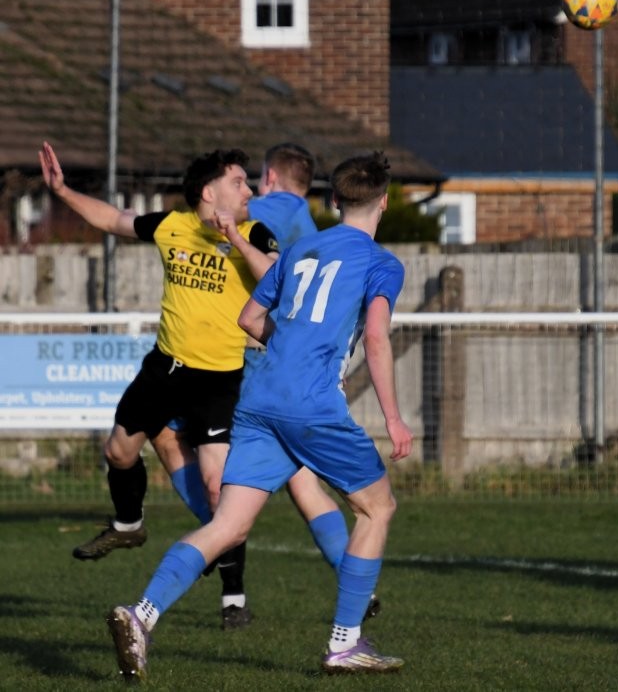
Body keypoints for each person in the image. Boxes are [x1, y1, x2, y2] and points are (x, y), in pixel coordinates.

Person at [106, 151, 412, 680]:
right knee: (376, 508)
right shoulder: (382, 263)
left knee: (227, 525)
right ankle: (345, 644)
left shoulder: (299, 250)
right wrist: (394, 419)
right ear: (383, 203)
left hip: (258, 399)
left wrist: (289, 344)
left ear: (334, 200)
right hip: (311, 403)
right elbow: (378, 337)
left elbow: (250, 318)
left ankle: (141, 614)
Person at [39, 142, 277, 629]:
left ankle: (234, 600)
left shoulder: (256, 232)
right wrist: (61, 191)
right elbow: (113, 219)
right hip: (165, 369)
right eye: (238, 182)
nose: (248, 190)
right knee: (118, 452)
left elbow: (274, 276)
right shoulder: (172, 225)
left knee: (218, 490)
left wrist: (237, 239)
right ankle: (129, 523)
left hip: (219, 380)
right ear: (209, 192)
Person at [156, 143, 380, 624]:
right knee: (311, 490)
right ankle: (351, 594)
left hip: (266, 367)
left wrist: (224, 218)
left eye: (250, 181)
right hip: (301, 379)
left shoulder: (278, 208)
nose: (248, 192)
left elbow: (236, 225)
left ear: (271, 178)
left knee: (204, 475)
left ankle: (191, 590)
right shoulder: (318, 231)